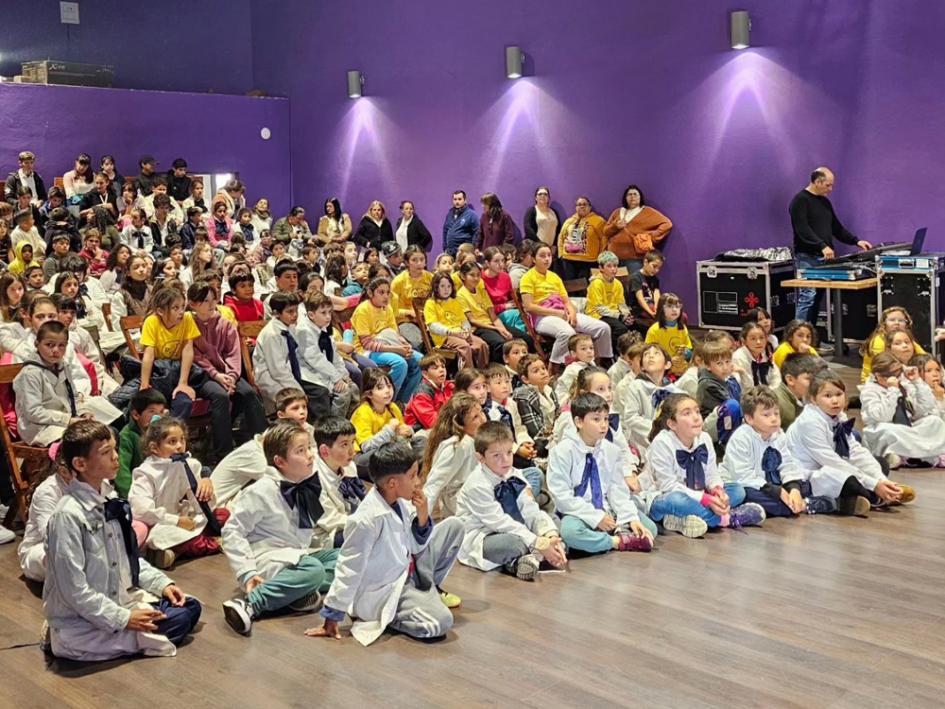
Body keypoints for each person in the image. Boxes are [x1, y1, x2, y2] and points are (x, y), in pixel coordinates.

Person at [43, 420, 201, 660]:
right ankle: (64, 640)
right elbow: (74, 591)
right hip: (83, 621)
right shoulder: (67, 515)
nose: (116, 457)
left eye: (114, 449)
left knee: (189, 606)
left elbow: (129, 559)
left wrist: (162, 584)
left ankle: (139, 627)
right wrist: (124, 618)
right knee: (179, 620)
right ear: (80, 463)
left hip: (118, 599)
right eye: (106, 453)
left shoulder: (110, 497)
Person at [307, 438, 463, 645]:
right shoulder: (367, 519)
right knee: (441, 622)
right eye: (412, 476)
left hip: (408, 572)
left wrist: (423, 515)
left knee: (455, 526)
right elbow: (349, 566)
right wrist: (333, 614)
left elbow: (415, 546)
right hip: (385, 589)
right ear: (392, 483)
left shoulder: (398, 501)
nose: (418, 482)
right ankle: (396, 615)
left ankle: (427, 591)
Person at [220, 422, 339, 635]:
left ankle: (293, 591)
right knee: (314, 570)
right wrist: (247, 572)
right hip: (267, 558)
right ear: (280, 461)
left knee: (342, 557)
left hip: (297, 554)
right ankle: (251, 604)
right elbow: (232, 531)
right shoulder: (261, 490)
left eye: (309, 448)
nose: (310, 455)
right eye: (300, 451)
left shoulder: (304, 483)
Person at [786, 371, 914, 513]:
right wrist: (874, 484)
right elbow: (831, 461)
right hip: (808, 476)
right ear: (814, 399)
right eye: (827, 396)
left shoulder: (838, 415)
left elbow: (854, 450)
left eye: (839, 394)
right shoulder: (809, 422)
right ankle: (878, 497)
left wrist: (880, 479)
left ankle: (872, 494)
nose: (835, 400)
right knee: (849, 479)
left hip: (832, 466)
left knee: (879, 463)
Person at [456, 422, 565, 579]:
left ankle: (527, 560)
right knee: (513, 544)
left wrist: (549, 535)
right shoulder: (477, 485)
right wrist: (538, 542)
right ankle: (526, 559)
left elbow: (530, 509)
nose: (505, 460)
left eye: (509, 452)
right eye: (496, 456)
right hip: (487, 535)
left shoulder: (513, 473)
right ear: (480, 457)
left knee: (554, 522)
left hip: (516, 525)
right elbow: (500, 523)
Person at [646, 393, 765, 537]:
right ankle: (727, 518)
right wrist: (705, 499)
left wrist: (717, 491)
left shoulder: (704, 438)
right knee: (676, 500)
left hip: (699, 493)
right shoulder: (662, 443)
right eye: (687, 413)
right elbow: (668, 486)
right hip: (665, 497)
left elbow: (711, 475)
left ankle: (682, 520)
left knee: (737, 490)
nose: (696, 417)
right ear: (672, 424)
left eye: (697, 411)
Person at [547, 393, 654, 553]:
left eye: (605, 419)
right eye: (596, 419)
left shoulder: (611, 450)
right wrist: (595, 518)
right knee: (571, 532)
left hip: (607, 506)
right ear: (579, 422)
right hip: (579, 510)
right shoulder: (561, 451)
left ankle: (616, 531)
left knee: (650, 528)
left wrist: (630, 518)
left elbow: (617, 489)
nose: (603, 425)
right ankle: (616, 541)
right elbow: (562, 497)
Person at [722, 386, 837, 518]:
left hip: (773, 483)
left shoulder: (779, 434)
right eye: (766, 415)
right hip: (748, 484)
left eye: (776, 413)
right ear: (749, 419)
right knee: (748, 494)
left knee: (805, 484)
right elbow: (743, 476)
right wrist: (778, 491)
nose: (774, 419)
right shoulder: (741, 437)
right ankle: (806, 505)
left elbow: (787, 464)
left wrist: (793, 489)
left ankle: (798, 503)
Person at [130, 415, 229, 569]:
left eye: (182, 440)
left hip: (182, 516)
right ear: (154, 447)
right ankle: (214, 543)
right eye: (172, 442)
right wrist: (176, 521)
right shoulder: (145, 472)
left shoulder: (189, 464)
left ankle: (174, 552)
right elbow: (141, 510)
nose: (179, 446)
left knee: (223, 515)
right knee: (166, 536)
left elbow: (200, 506)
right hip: (160, 523)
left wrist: (205, 485)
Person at [188, 281, 268, 454]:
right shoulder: (189, 323)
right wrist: (216, 375)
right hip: (203, 374)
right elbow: (196, 356)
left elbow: (233, 352)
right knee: (220, 395)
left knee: (248, 393)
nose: (211, 305)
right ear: (193, 304)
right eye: (205, 301)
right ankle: (223, 451)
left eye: (213, 300)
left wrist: (231, 376)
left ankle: (264, 442)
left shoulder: (224, 324)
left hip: (227, 372)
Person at [13, 320, 121, 446]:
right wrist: (68, 420)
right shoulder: (30, 373)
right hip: (40, 427)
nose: (55, 350)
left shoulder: (62, 365)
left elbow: (73, 396)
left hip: (65, 420)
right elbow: (33, 412)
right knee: (89, 442)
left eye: (61, 345)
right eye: (49, 345)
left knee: (112, 431)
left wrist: (83, 412)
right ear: (37, 344)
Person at [790, 167, 873, 323]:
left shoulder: (825, 202)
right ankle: (797, 339)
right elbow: (802, 229)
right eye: (828, 185)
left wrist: (856, 241)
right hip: (807, 257)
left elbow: (836, 227)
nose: (831, 189)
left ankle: (812, 338)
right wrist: (822, 245)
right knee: (807, 298)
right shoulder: (799, 201)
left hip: (823, 259)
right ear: (817, 182)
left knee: (816, 299)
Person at [519, 243, 613, 365]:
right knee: (567, 333)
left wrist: (573, 313)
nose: (547, 259)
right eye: (542, 256)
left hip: (563, 313)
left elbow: (566, 301)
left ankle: (600, 363)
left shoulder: (554, 277)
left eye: (549, 255)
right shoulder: (527, 277)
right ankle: (554, 366)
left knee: (603, 328)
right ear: (533, 259)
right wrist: (557, 313)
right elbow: (529, 306)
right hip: (543, 317)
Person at [859, 352, 945, 468]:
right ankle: (918, 455)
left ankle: (914, 454)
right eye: (892, 374)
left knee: (934, 421)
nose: (896, 378)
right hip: (885, 429)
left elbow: (925, 408)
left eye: (898, 374)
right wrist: (892, 391)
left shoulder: (904, 384)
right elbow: (882, 417)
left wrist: (917, 381)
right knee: (888, 430)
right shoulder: (869, 391)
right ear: (879, 376)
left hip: (908, 428)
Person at [351, 276, 423, 404]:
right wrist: (397, 349)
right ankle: (387, 400)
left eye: (388, 292)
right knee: (400, 363)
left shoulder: (387, 308)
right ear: (370, 293)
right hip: (367, 351)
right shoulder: (363, 310)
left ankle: (403, 401)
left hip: (389, 344)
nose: (385, 296)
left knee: (421, 361)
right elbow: (367, 344)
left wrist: (404, 343)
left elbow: (394, 332)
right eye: (381, 292)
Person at [351, 368, 423, 480]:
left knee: (420, 441)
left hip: (388, 449)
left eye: (389, 386)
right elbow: (366, 447)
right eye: (380, 388)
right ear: (369, 394)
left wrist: (408, 432)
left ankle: (411, 472)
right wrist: (389, 430)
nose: (387, 391)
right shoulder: (363, 412)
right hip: (362, 458)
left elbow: (402, 435)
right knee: (388, 453)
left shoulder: (393, 408)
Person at [422, 393, 486, 519]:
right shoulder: (458, 445)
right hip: (464, 504)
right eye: (475, 417)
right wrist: (420, 522)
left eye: (481, 412)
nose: (483, 419)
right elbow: (434, 484)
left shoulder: (477, 439)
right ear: (460, 424)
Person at [297, 291, 360, 417]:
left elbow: (334, 355)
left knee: (354, 389)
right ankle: (334, 426)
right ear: (311, 315)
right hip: (310, 373)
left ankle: (350, 422)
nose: (328, 317)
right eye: (323, 313)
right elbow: (315, 359)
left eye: (329, 312)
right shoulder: (303, 331)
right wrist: (336, 378)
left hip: (326, 371)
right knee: (343, 393)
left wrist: (343, 375)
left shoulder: (323, 326)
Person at [457, 261, 529, 363]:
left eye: (478, 275)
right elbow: (473, 321)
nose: (476, 278)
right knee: (500, 343)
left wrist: (503, 329)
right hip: (478, 328)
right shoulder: (460, 295)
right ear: (463, 276)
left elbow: (492, 314)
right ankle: (500, 370)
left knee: (524, 337)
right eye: (472, 275)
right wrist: (497, 328)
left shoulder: (481, 290)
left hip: (491, 324)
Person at [312, 416, 366, 547]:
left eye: (352, 442)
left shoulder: (349, 466)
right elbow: (330, 521)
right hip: (326, 535)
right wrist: (366, 520)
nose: (352, 451)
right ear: (325, 451)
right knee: (369, 534)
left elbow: (361, 499)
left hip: (350, 520)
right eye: (344, 445)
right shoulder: (311, 480)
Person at [618, 343, 678, 454]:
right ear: (642, 367)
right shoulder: (636, 386)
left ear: (667, 364)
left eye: (656, 353)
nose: (651, 356)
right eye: (646, 354)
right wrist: (658, 429)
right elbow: (631, 417)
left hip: (669, 443)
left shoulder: (675, 390)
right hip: (643, 443)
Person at [603, 184, 673, 274]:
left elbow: (667, 224)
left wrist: (650, 238)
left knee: (634, 285)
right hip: (614, 259)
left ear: (640, 197)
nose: (632, 197)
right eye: (629, 194)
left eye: (635, 194)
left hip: (634, 259)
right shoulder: (617, 212)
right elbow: (605, 232)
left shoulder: (647, 212)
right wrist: (615, 226)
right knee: (616, 286)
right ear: (625, 198)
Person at [117, 389, 168, 498]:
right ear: (136, 415)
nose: (157, 417)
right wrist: (134, 498)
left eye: (161, 412)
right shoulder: (127, 436)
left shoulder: (163, 432)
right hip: (140, 490)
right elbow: (122, 472)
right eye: (152, 412)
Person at [696, 336, 744, 446]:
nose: (725, 367)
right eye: (719, 363)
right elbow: (731, 407)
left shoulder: (730, 379)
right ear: (708, 366)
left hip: (729, 421)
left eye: (727, 362)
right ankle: (725, 445)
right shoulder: (707, 384)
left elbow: (742, 399)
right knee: (731, 407)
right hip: (710, 426)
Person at [585, 250, 634, 353]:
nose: (613, 269)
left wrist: (626, 315)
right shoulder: (596, 283)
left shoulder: (617, 283)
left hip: (614, 314)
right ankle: (610, 353)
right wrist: (619, 316)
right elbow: (599, 308)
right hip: (597, 314)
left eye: (615, 266)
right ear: (601, 268)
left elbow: (621, 303)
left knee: (635, 326)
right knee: (620, 329)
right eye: (609, 266)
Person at [860, 306, 924, 383]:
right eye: (892, 320)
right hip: (876, 380)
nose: (897, 323)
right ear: (884, 323)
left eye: (901, 320)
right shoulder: (878, 340)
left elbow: (924, 358)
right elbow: (883, 366)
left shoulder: (906, 338)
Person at [511, 354, 559, 457]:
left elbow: (558, 415)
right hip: (536, 441)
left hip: (553, 434)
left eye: (543, 368)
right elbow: (535, 431)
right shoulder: (524, 396)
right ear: (525, 379)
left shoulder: (549, 389)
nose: (543, 372)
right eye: (536, 371)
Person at [557, 196, 607, 282]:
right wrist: (561, 254)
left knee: (585, 288)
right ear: (576, 207)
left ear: (590, 207)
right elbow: (561, 237)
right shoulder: (569, 221)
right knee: (570, 287)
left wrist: (601, 256)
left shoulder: (598, 221)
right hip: (568, 260)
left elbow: (604, 239)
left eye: (585, 204)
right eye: (579, 204)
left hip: (588, 261)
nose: (582, 206)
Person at [645, 293, 693, 377]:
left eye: (677, 307)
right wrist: (669, 360)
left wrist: (684, 354)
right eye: (670, 306)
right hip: (662, 370)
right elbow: (650, 355)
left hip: (680, 368)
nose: (674, 310)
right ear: (661, 309)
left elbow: (689, 348)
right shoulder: (654, 330)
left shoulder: (682, 328)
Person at [404, 354, 455, 430]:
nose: (441, 370)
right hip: (420, 433)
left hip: (445, 425)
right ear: (425, 374)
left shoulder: (449, 386)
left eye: (443, 366)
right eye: (435, 368)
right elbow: (433, 423)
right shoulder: (421, 394)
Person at [774, 353, 822, 430]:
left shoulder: (808, 397)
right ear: (790, 379)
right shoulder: (775, 402)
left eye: (817, 378)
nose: (816, 383)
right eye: (809, 379)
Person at [733, 320, 781, 391]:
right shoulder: (739, 357)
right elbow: (746, 387)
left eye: (761, 338)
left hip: (768, 395)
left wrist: (770, 393)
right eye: (753, 339)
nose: (758, 342)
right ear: (744, 341)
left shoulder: (766, 354)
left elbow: (776, 378)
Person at [554, 333, 597, 406]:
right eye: (583, 349)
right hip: (567, 402)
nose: (589, 351)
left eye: (591, 348)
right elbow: (575, 392)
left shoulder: (591, 363)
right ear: (573, 353)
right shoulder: (572, 369)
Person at [628, 250, 663, 333]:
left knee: (682, 316)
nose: (656, 270)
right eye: (654, 266)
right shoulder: (636, 277)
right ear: (645, 262)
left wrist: (657, 308)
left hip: (652, 307)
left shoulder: (655, 279)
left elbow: (656, 294)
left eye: (659, 268)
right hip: (639, 309)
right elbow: (640, 299)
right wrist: (651, 312)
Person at [442, 190, 479, 256]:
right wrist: (445, 246)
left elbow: (477, 232)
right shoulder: (449, 214)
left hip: (464, 253)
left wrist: (473, 247)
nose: (457, 202)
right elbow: (445, 230)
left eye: (459, 199)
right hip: (450, 252)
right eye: (455, 199)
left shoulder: (471, 215)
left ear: (465, 200)